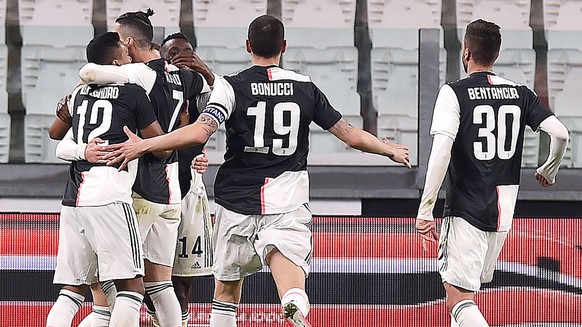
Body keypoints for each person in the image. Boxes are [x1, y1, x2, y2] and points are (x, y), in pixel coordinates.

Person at [101, 14, 411, 327]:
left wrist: (144, 145)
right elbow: (350, 135)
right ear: (284, 47)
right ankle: (292, 302)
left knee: (226, 291)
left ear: (248, 46)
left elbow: (198, 132)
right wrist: (390, 150)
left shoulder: (230, 86)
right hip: (286, 198)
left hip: (236, 200)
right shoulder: (305, 88)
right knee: (287, 266)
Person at [415, 19, 569, 327]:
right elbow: (561, 134)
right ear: (495, 55)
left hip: (466, 210)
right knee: (467, 297)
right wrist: (549, 170)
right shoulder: (520, 94)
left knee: (458, 298)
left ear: (465, 52)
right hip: (502, 213)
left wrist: (425, 210)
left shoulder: (453, 93)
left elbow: (441, 152)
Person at [78, 9, 215, 327]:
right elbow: (209, 105)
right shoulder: (185, 76)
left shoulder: (140, 74)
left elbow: (90, 74)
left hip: (138, 187)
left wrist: (75, 95)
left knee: (109, 287)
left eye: (116, 39)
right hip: (170, 192)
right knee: (160, 282)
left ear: (127, 42)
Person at [46, 31, 170, 327]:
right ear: (116, 62)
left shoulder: (78, 93)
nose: (130, 58)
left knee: (73, 290)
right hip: (109, 195)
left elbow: (55, 133)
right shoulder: (132, 92)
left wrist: (82, 149)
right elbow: (160, 146)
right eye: (125, 56)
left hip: (74, 197)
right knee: (132, 287)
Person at [143, 32, 214, 327]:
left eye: (187, 53)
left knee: (183, 282)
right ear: (162, 58)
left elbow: (232, 106)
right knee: (149, 281)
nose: (180, 59)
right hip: (154, 188)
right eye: (173, 54)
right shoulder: (149, 90)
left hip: (189, 192)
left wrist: (206, 71)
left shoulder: (203, 93)